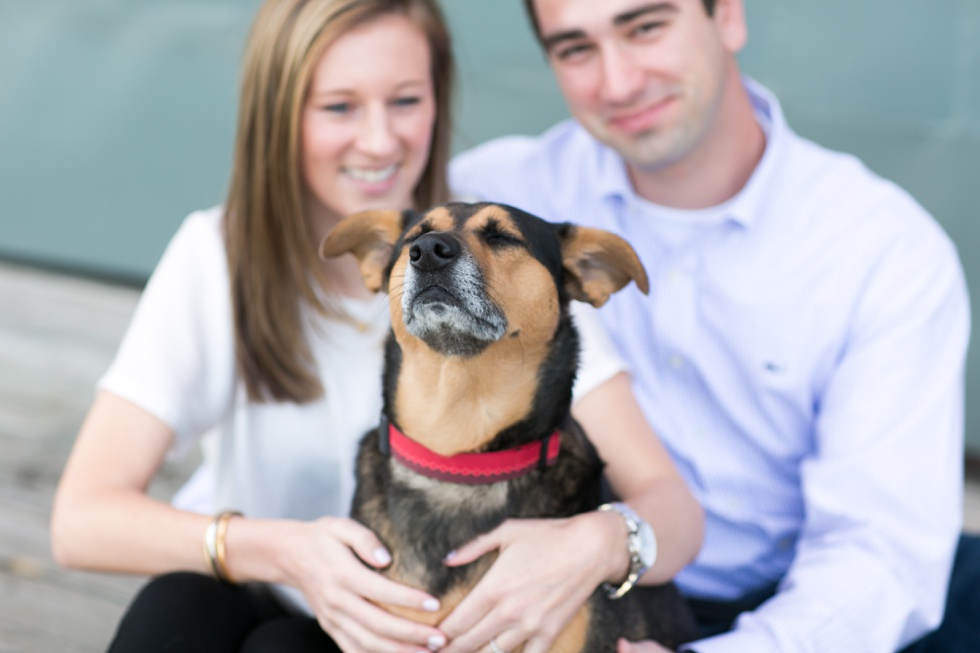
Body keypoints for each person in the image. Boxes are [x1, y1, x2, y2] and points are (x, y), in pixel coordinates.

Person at [50, 1, 703, 652]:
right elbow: (81, 520)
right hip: (267, 580)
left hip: (384, 620)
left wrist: (602, 540)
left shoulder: (504, 247)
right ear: (281, 113)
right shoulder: (217, 254)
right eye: (339, 106)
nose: (380, 140)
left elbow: (669, 503)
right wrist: (288, 550)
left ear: (439, 99)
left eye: (405, 100)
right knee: (175, 606)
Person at [449, 0, 978, 652]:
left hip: (806, 603)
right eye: (575, 49)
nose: (617, 83)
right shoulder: (496, 202)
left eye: (646, 27)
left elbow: (880, 556)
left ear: (727, 15)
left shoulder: (881, 250)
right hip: (587, 582)